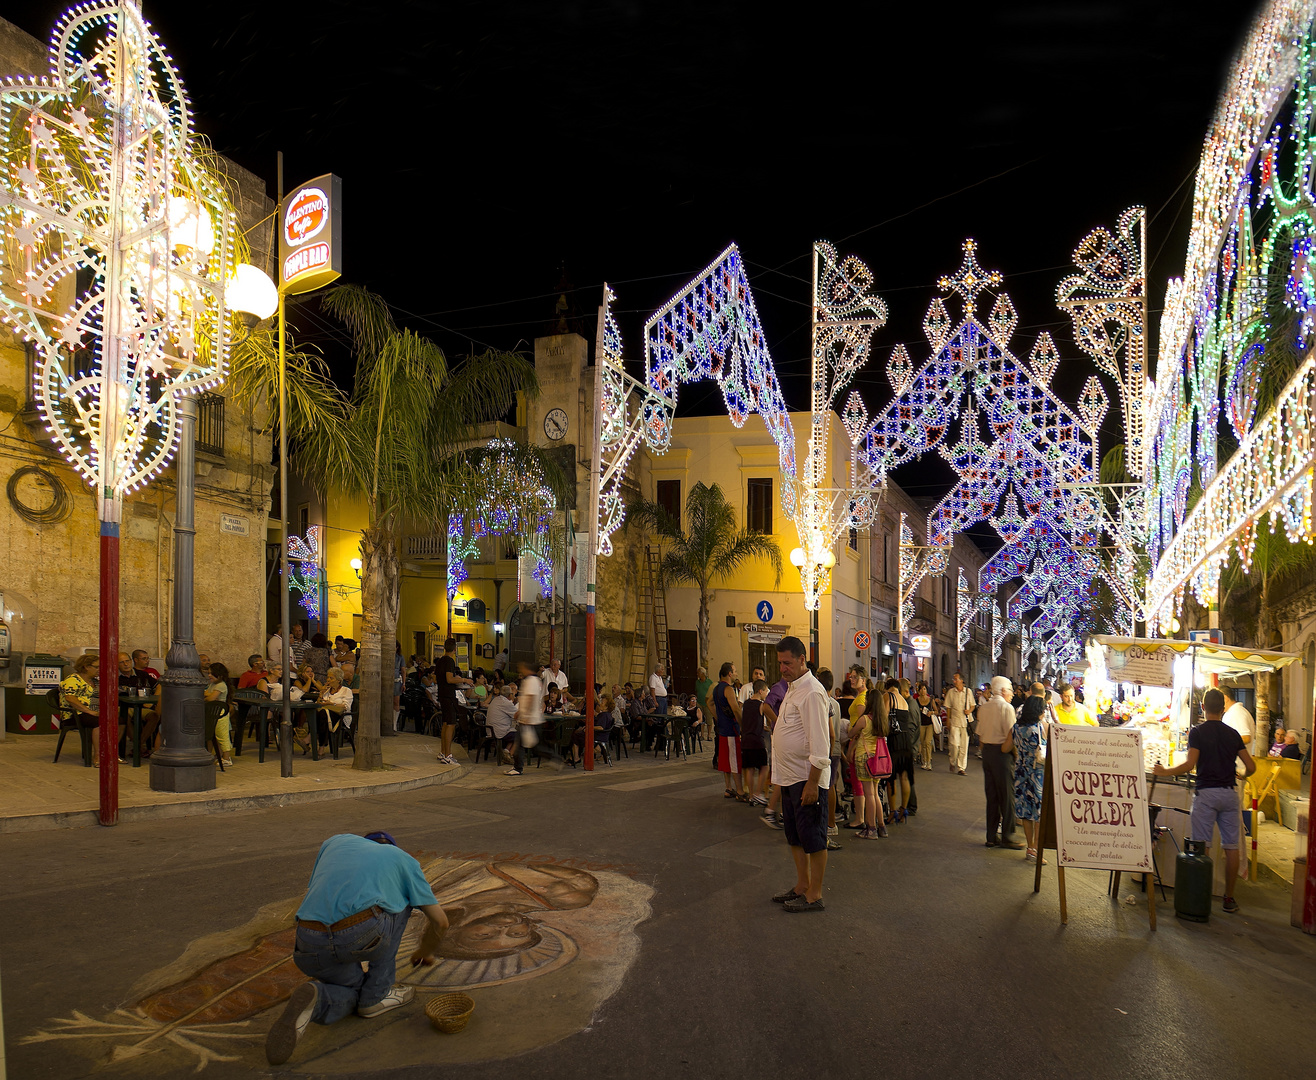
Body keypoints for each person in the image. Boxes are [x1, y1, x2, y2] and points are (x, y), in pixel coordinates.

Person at [266, 831, 449, 1066]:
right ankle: (377, 994)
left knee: (353, 992)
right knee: (402, 899)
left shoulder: (335, 842)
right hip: (359, 934)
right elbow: (441, 922)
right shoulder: (401, 858)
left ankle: (319, 998)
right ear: (390, 846)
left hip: (308, 942)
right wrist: (425, 951)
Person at [1154, 687, 1256, 913]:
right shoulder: (1233, 735)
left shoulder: (1197, 732)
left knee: (1202, 846)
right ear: (1223, 709)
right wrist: (1242, 775)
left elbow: (1189, 765)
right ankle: (1229, 898)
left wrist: (1164, 772)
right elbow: (1251, 766)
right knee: (1231, 847)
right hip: (1229, 794)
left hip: (1206, 794)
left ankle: (1201, 895)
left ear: (1203, 708)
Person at [769, 637, 831, 913]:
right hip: (789, 777)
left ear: (802, 659)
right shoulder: (792, 688)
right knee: (794, 836)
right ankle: (801, 885)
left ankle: (814, 895)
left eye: (787, 662)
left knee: (814, 839)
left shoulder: (812, 692)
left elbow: (820, 744)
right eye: (780, 663)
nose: (782, 668)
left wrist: (813, 783)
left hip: (807, 780)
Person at [979, 676, 1025, 850]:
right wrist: (1014, 755)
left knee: (992, 797)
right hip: (1001, 754)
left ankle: (991, 836)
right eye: (1011, 690)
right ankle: (1007, 835)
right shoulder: (1006, 708)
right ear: (1003, 691)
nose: (1013, 694)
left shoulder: (984, 707)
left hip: (988, 753)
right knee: (1007, 797)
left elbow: (981, 736)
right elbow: (1011, 736)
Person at [1008, 685, 1048, 863]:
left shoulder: (1016, 728)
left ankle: (1030, 847)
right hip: (1038, 773)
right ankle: (1037, 849)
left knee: (1025, 810)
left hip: (1021, 772)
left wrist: (1019, 753)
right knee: (1039, 812)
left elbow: (1005, 747)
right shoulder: (1041, 728)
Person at [847, 691, 889, 839]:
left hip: (864, 758)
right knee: (875, 793)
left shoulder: (864, 719)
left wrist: (851, 731)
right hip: (877, 759)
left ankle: (871, 828)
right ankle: (881, 827)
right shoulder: (882, 719)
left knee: (869, 794)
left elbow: (851, 734)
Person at [818, 668, 845, 849]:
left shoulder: (823, 702)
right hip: (834, 749)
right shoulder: (835, 703)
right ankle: (832, 822)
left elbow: (832, 733)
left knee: (826, 786)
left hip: (828, 749)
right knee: (832, 786)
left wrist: (827, 750)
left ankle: (828, 823)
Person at [59, 653, 103, 766]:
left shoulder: (95, 681)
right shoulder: (73, 680)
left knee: (121, 720)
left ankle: (111, 752)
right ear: (86, 667)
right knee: (99, 723)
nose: (99, 669)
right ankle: (98, 755)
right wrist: (89, 711)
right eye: (96, 667)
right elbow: (70, 698)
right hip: (77, 713)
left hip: (95, 711)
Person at [436, 638, 474, 764]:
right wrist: (464, 680)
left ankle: (443, 752)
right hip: (448, 695)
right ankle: (448, 755)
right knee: (451, 724)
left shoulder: (440, 661)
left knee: (445, 723)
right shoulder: (449, 661)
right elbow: (449, 679)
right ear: (455, 649)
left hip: (442, 694)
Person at [711, 662, 745, 798]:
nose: (736, 673)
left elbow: (709, 703)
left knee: (725, 759)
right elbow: (736, 709)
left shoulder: (716, 688)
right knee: (735, 760)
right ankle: (740, 791)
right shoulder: (728, 689)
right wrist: (742, 725)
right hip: (731, 728)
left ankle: (728, 788)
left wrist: (718, 717)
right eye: (735, 671)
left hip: (722, 728)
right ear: (730, 674)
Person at [118, 650, 161, 756]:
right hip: (123, 707)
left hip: (141, 706)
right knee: (124, 716)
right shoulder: (114, 676)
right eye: (122, 662)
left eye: (127, 661)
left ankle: (137, 746)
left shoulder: (141, 674)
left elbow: (159, 685)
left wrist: (154, 699)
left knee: (154, 716)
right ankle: (139, 747)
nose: (126, 664)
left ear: (131, 661)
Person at [508, 660, 544, 776]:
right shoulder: (531, 680)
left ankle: (554, 759)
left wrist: (525, 714)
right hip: (528, 717)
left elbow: (531, 698)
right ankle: (517, 767)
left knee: (530, 745)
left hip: (529, 718)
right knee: (521, 743)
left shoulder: (531, 681)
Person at [739, 679, 770, 804]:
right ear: (760, 691)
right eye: (766, 691)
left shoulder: (746, 703)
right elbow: (769, 718)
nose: (767, 693)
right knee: (765, 767)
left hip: (746, 739)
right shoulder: (761, 705)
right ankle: (758, 793)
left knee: (750, 768)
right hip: (757, 740)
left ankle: (751, 795)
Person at [944, 672, 974, 775]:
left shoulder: (968, 692)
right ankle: (952, 761)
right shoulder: (951, 692)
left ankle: (961, 767)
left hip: (965, 722)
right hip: (955, 721)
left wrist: (969, 711)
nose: (954, 681)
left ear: (961, 680)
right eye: (954, 679)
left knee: (964, 746)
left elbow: (973, 705)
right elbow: (948, 707)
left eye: (956, 679)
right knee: (954, 744)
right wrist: (948, 719)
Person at [205, 661, 233, 766]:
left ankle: (227, 758)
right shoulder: (212, 684)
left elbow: (211, 698)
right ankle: (212, 754)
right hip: (212, 714)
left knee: (222, 735)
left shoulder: (221, 685)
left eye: (211, 674)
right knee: (211, 735)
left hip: (220, 714)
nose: (209, 676)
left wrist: (208, 696)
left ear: (220, 675)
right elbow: (207, 694)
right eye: (208, 673)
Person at [486, 682, 518, 763]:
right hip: (499, 731)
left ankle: (506, 751)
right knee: (520, 735)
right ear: (509, 695)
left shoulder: (496, 700)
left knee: (514, 732)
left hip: (490, 729)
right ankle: (509, 755)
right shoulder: (506, 703)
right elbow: (517, 715)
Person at [915, 680, 937, 771]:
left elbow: (937, 711)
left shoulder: (930, 700)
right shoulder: (916, 701)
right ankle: (924, 761)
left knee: (928, 742)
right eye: (922, 689)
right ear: (919, 691)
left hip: (929, 724)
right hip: (921, 724)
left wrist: (931, 712)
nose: (923, 691)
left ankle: (928, 762)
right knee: (923, 742)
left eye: (925, 689)